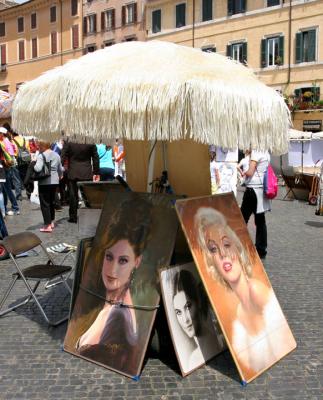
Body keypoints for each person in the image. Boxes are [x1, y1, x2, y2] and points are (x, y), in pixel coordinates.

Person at [195, 207, 296, 375]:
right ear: (210, 261)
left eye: (226, 244)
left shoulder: (256, 290)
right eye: (213, 249)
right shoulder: (238, 310)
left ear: (237, 247)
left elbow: (283, 343)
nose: (222, 253)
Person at [75, 198, 153, 374]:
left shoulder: (119, 318)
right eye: (109, 257)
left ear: (137, 262)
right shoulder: (103, 304)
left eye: (123, 260)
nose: (112, 270)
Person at [172, 268, 224, 371]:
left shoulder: (196, 359)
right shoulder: (194, 358)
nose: (185, 319)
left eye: (187, 307)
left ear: (198, 302)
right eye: (178, 312)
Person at [240, 150, 271, 259]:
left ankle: (239, 245)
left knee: (242, 218)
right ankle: (261, 249)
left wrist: (243, 172)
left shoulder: (256, 152)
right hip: (261, 189)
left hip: (252, 189)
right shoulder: (266, 152)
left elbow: (250, 172)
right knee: (260, 220)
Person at [61, 141, 100, 223]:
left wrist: (60, 170)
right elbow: (96, 157)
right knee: (88, 196)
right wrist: (96, 172)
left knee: (73, 196)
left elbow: (63, 156)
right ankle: (90, 215)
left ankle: (73, 216)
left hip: (73, 172)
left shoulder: (69, 142)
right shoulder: (90, 142)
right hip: (86, 172)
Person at [34, 140, 63, 232]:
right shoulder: (56, 155)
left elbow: (38, 168)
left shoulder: (41, 156)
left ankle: (47, 226)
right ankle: (52, 221)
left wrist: (33, 163)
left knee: (45, 204)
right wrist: (60, 175)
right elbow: (60, 168)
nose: (38, 147)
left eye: (39, 145)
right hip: (54, 181)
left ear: (42, 146)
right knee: (51, 202)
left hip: (44, 182)